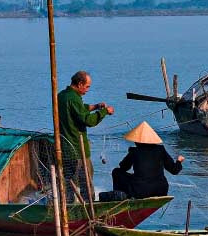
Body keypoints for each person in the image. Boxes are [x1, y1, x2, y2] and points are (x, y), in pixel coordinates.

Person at [57, 70, 114, 202]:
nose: (88, 90)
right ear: (80, 84)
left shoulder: (62, 96)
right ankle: (89, 206)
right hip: (78, 148)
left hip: (65, 147)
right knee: (86, 182)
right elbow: (88, 120)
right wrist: (104, 112)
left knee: (68, 181)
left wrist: (95, 106)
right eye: (87, 86)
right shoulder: (74, 98)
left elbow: (79, 109)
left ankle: (68, 205)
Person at [112, 121, 183, 198]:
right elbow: (174, 170)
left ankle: (119, 197)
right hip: (161, 190)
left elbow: (123, 167)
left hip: (141, 191)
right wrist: (179, 161)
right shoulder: (160, 150)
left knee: (116, 172)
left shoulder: (135, 151)